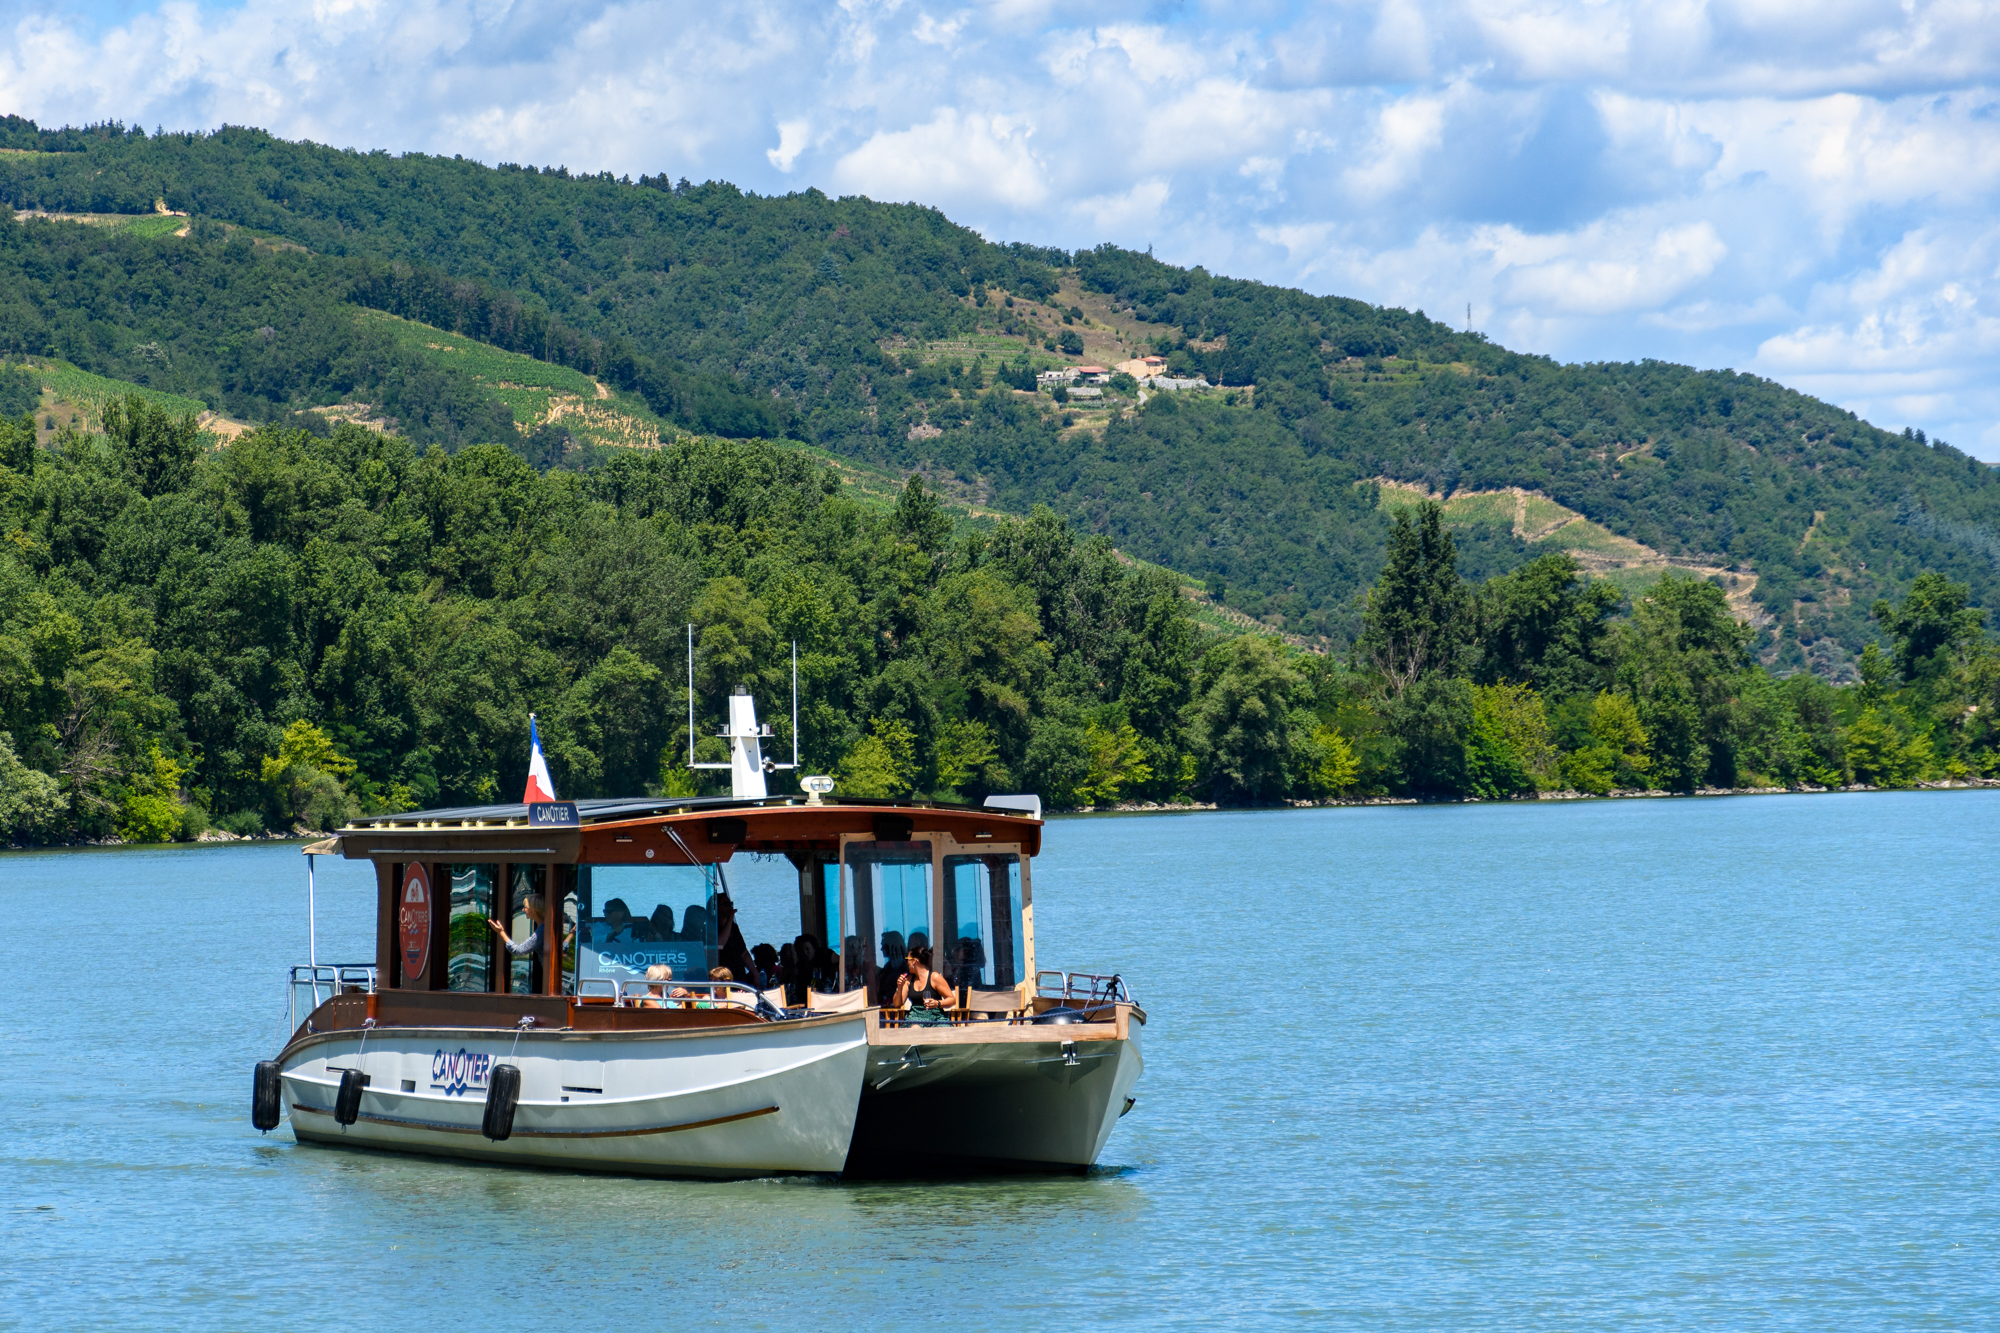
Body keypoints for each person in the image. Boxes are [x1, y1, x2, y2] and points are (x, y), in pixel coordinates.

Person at [893, 944, 955, 1024]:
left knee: (943, 1031)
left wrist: (938, 1003)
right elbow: (897, 1004)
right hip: (914, 1017)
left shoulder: (934, 977)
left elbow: (952, 1000)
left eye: (907, 959)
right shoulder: (909, 979)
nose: (907, 962)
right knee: (915, 1028)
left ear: (914, 961)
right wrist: (899, 988)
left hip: (935, 1017)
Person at [875, 930, 907, 1005]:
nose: (881, 948)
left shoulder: (905, 967)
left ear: (892, 945)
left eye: (884, 945)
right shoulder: (888, 967)